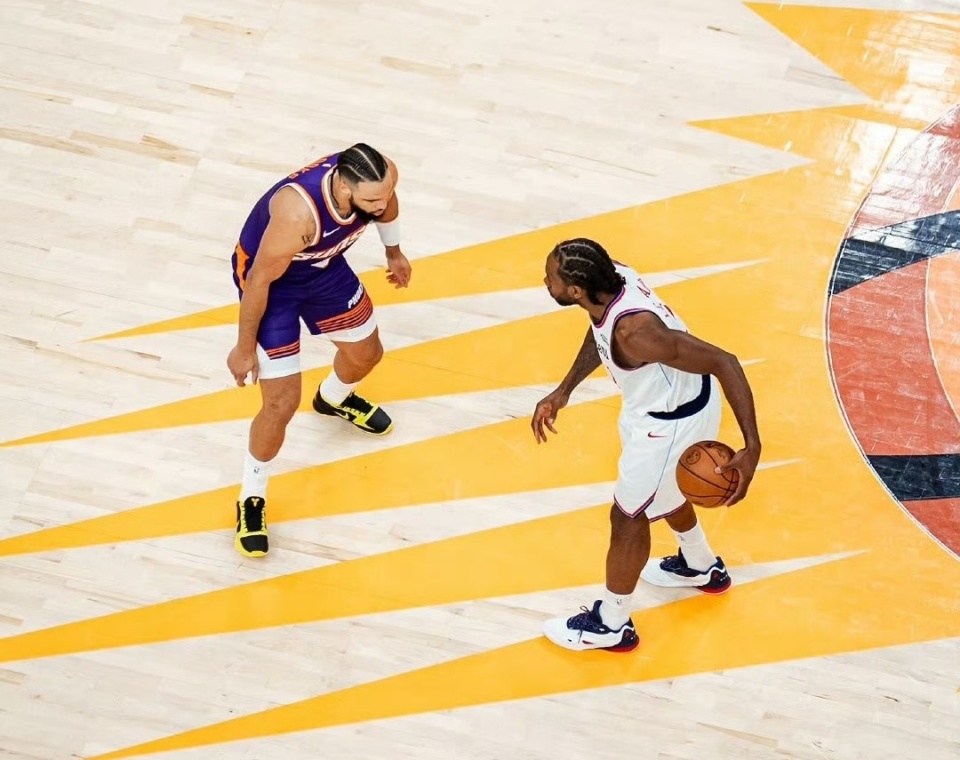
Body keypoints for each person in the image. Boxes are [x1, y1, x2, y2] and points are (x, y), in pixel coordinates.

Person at [531, 238, 760, 652]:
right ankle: (701, 565)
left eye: (551, 278)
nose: (546, 282)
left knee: (627, 517)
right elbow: (599, 332)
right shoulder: (612, 279)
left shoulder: (637, 334)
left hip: (669, 425)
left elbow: (725, 361)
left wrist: (752, 446)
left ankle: (612, 624)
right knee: (663, 493)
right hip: (666, 405)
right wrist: (564, 390)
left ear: (576, 290)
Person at [226, 143, 412, 557]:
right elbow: (258, 281)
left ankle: (332, 399)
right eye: (372, 201)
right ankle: (251, 496)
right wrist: (243, 347)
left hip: (322, 268)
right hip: (271, 284)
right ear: (344, 188)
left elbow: (389, 202)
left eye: (385, 194)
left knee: (367, 354)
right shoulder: (297, 216)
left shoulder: (378, 176)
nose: (381, 205)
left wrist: (393, 251)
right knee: (281, 403)